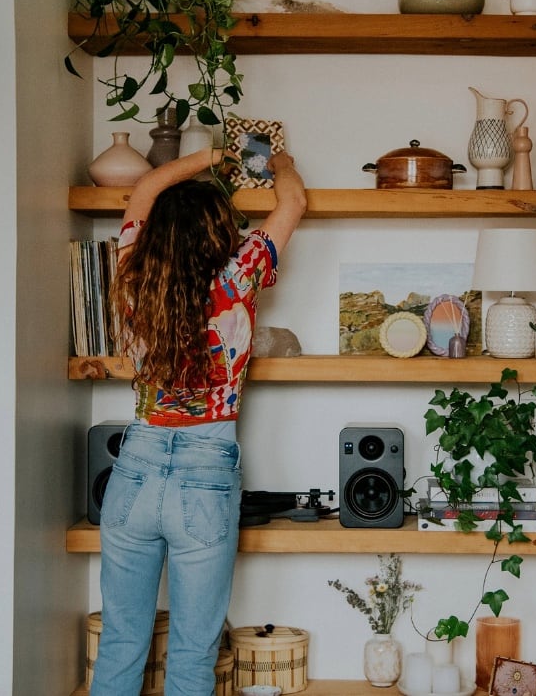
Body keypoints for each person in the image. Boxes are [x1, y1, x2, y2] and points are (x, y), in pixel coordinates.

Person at [90, 146, 306, 696]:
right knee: (192, 653)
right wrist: (278, 162)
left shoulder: (133, 272)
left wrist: (209, 155)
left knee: (120, 640)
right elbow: (293, 202)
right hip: (206, 472)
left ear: (158, 230)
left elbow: (145, 189)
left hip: (134, 465)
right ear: (217, 233)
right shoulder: (238, 277)